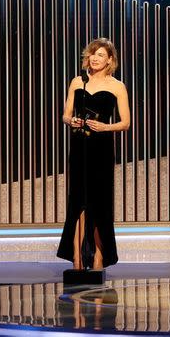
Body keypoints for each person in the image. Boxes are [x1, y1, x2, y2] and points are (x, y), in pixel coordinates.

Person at [57, 38, 130, 270]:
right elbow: (65, 115)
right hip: (80, 147)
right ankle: (77, 258)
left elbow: (126, 123)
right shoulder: (78, 82)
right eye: (92, 54)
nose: (95, 58)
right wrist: (72, 121)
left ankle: (99, 257)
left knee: (99, 203)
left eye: (100, 55)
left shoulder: (117, 86)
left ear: (110, 60)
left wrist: (105, 127)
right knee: (78, 201)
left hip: (102, 149)